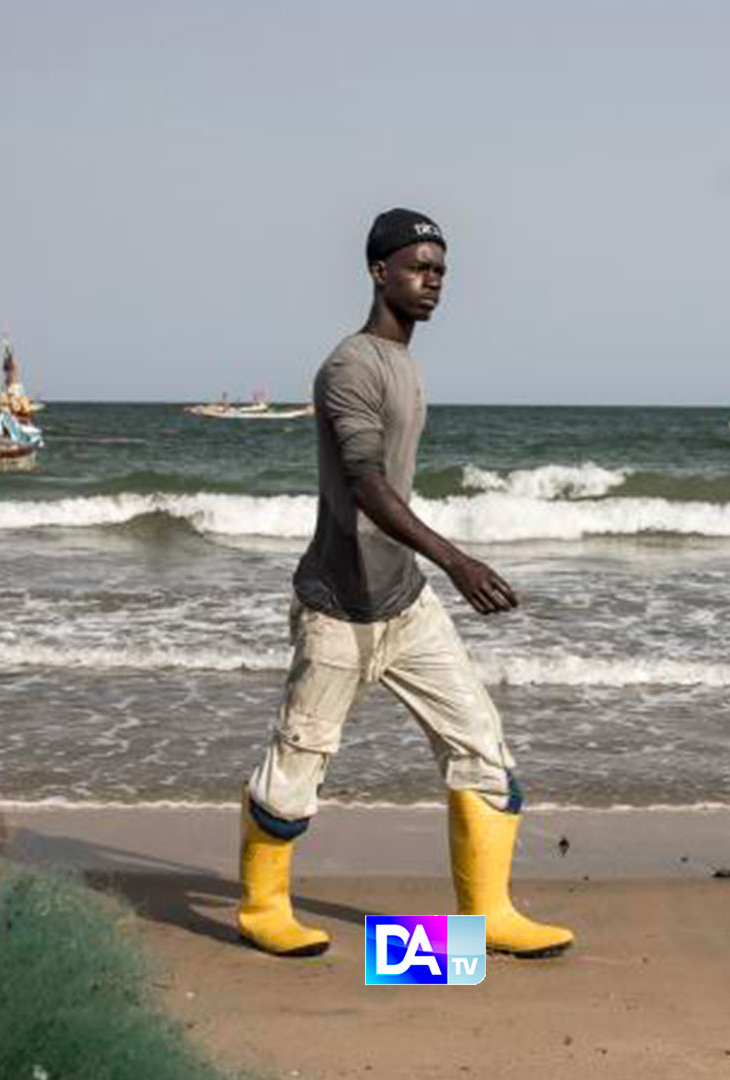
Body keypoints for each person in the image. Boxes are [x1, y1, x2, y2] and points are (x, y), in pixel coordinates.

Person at [237, 208, 573, 960]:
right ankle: (262, 908)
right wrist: (458, 559)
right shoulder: (351, 366)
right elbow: (366, 487)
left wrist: (433, 571)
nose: (434, 281)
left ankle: (482, 924)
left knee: (482, 748)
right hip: (340, 608)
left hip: (405, 603)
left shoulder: (405, 364)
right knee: (298, 763)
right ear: (377, 271)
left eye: (442, 270)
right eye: (420, 266)